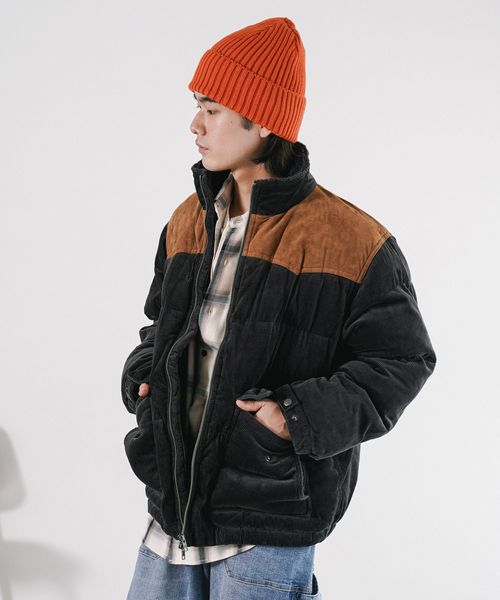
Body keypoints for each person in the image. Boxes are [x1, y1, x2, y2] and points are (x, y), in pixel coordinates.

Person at [121, 16, 437, 600]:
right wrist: (145, 379)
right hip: (172, 510)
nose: (195, 125)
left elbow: (402, 360)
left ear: (263, 119)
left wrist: (294, 418)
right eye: (197, 106)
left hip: (268, 515)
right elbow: (159, 325)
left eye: (212, 108)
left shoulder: (351, 239)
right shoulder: (187, 221)